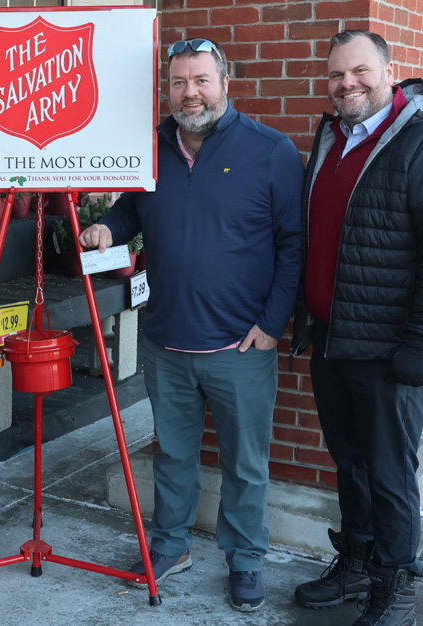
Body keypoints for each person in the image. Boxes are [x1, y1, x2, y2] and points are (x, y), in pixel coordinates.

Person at [79, 38, 303, 612]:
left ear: (225, 82)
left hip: (240, 344)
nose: (190, 93)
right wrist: (109, 226)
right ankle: (170, 544)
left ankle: (247, 558)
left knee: (245, 463)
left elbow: (293, 245)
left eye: (201, 80)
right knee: (174, 455)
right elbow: (132, 208)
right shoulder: (149, 147)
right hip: (166, 340)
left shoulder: (271, 151)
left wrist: (272, 324)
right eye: (179, 82)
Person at [290, 31, 423, 626]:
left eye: (361, 71)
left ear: (391, 72)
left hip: (391, 349)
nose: (348, 83)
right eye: (337, 75)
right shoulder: (334, 139)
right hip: (332, 337)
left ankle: (395, 588)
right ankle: (357, 565)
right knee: (350, 463)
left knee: (391, 472)